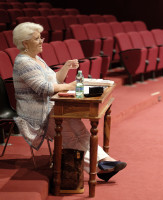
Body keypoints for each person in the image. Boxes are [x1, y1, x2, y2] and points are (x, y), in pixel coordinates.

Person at [12, 22, 126, 182]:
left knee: (80, 132)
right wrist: (71, 85)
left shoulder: (36, 59)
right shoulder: (24, 62)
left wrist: (65, 67)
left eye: (41, 38)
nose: (41, 41)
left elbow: (55, 80)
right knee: (70, 137)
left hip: (54, 105)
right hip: (39, 113)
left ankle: (106, 162)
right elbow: (44, 88)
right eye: (37, 39)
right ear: (25, 43)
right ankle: (98, 167)